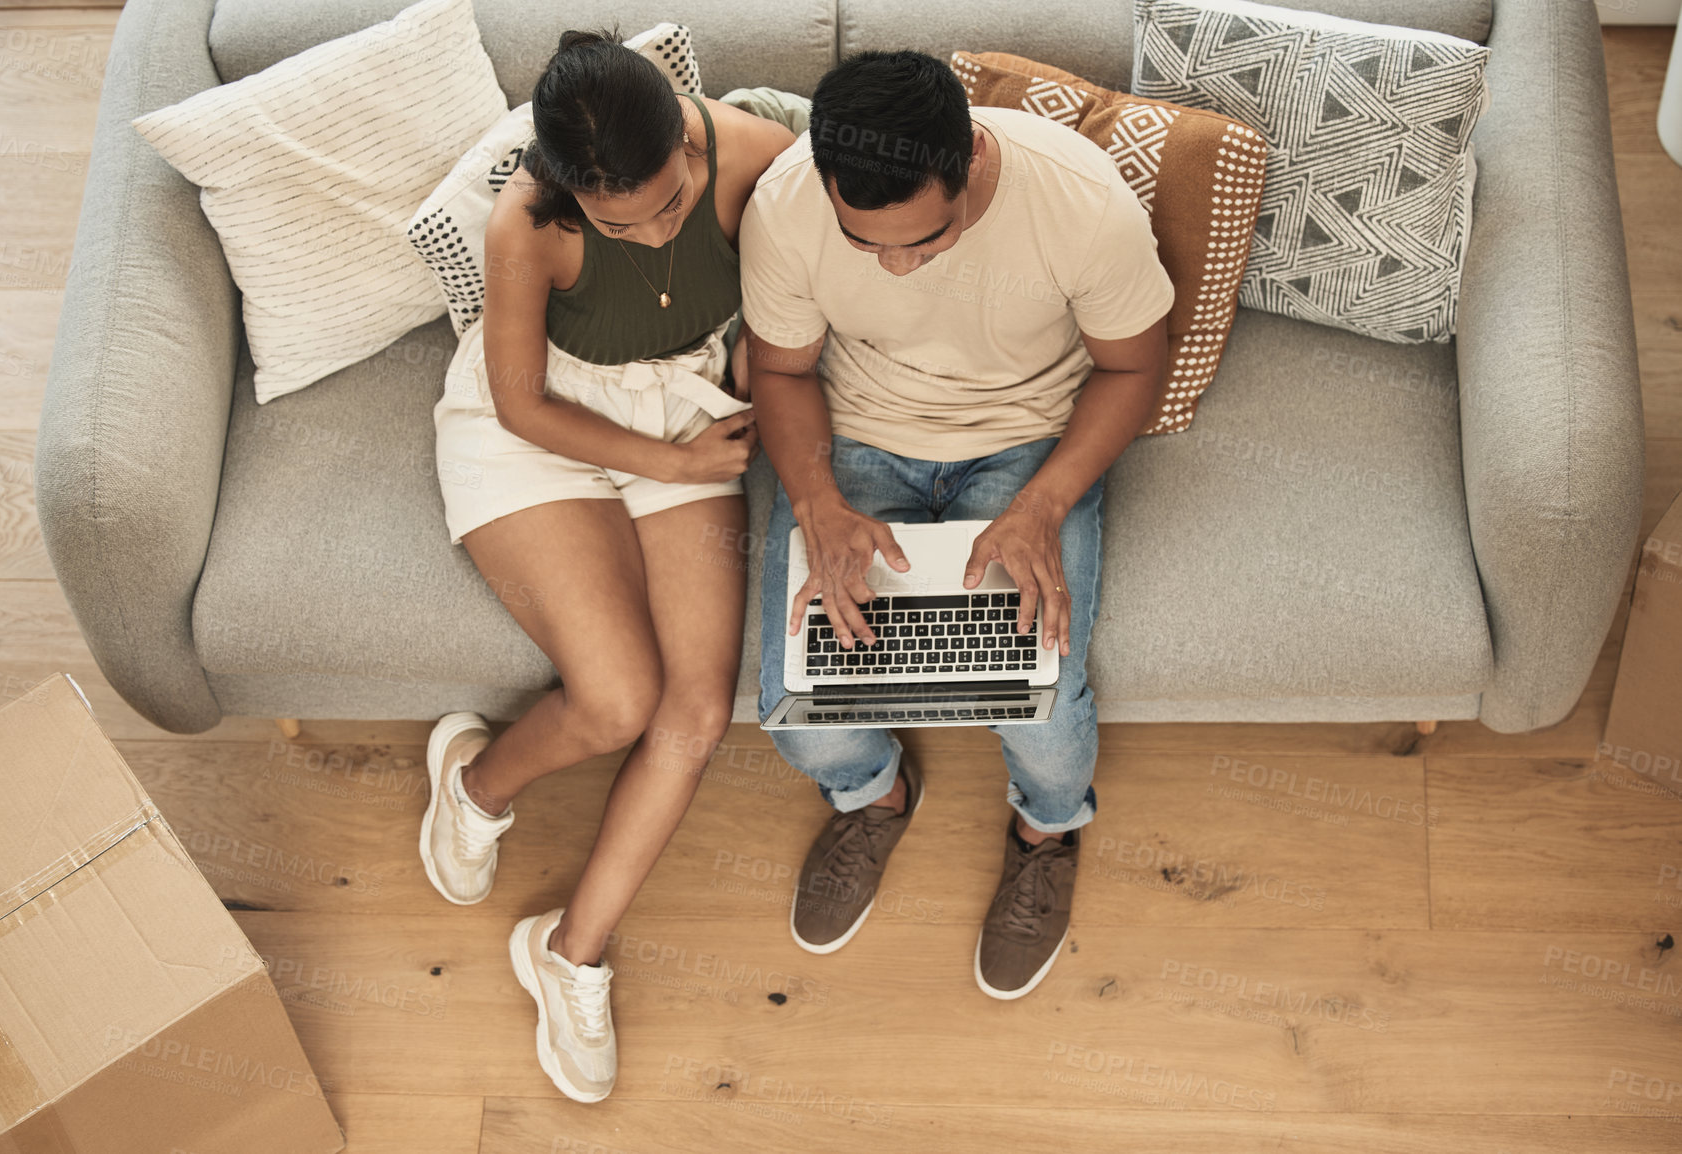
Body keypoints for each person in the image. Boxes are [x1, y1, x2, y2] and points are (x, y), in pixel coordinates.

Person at [741, 50, 1174, 999]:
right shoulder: (785, 206)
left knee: (1040, 705)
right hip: (854, 440)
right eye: (866, 246)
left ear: (971, 160)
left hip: (1026, 444)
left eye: (922, 242)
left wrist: (1042, 506)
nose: (894, 267)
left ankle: (1046, 831)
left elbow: (1134, 367)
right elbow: (778, 373)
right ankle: (873, 798)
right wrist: (817, 503)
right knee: (801, 713)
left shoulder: (1079, 204)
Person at [422, 30, 793, 1103]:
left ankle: (568, 952)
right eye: (620, 221)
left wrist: (764, 368)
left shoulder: (750, 147)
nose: (656, 227)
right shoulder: (525, 224)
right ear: (568, 190)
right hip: (543, 431)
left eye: (670, 205)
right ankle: (476, 783)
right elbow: (520, 400)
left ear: (683, 138)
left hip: (684, 410)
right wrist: (669, 460)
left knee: (694, 712)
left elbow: (826, 234)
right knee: (618, 697)